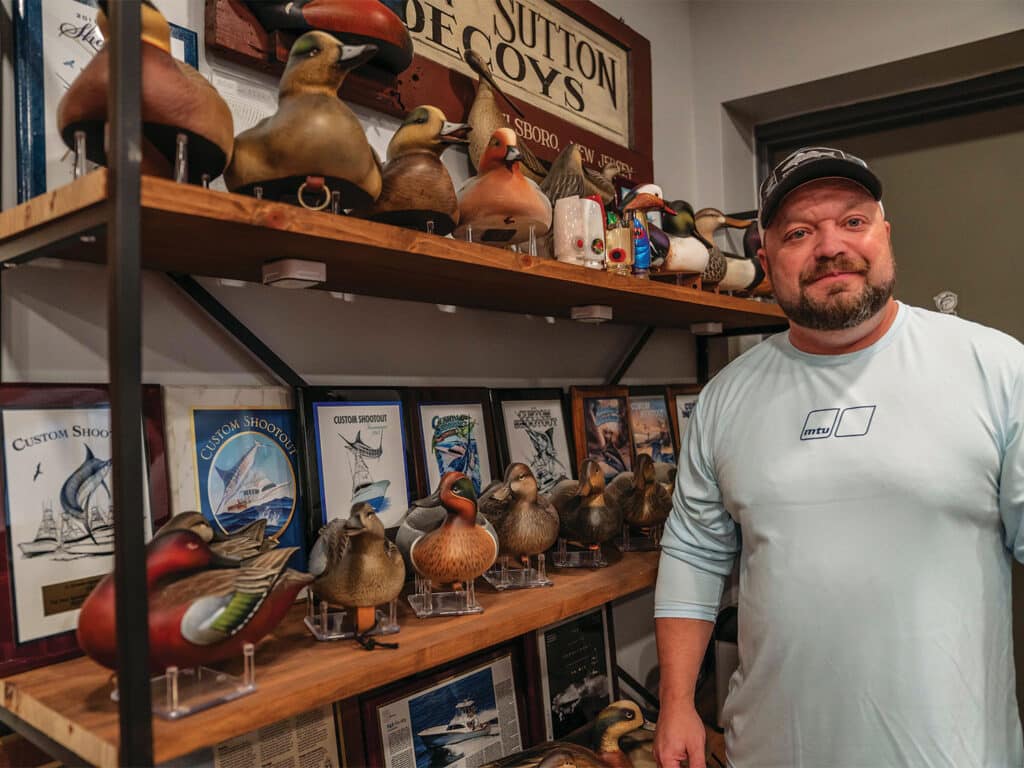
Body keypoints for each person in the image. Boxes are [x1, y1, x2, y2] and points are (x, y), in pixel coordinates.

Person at [653, 146, 1024, 768]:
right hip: (774, 749)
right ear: (766, 262)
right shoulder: (724, 399)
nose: (830, 246)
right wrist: (675, 703)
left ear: (885, 235)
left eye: (852, 222)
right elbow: (693, 553)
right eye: (800, 232)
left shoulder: (998, 368)